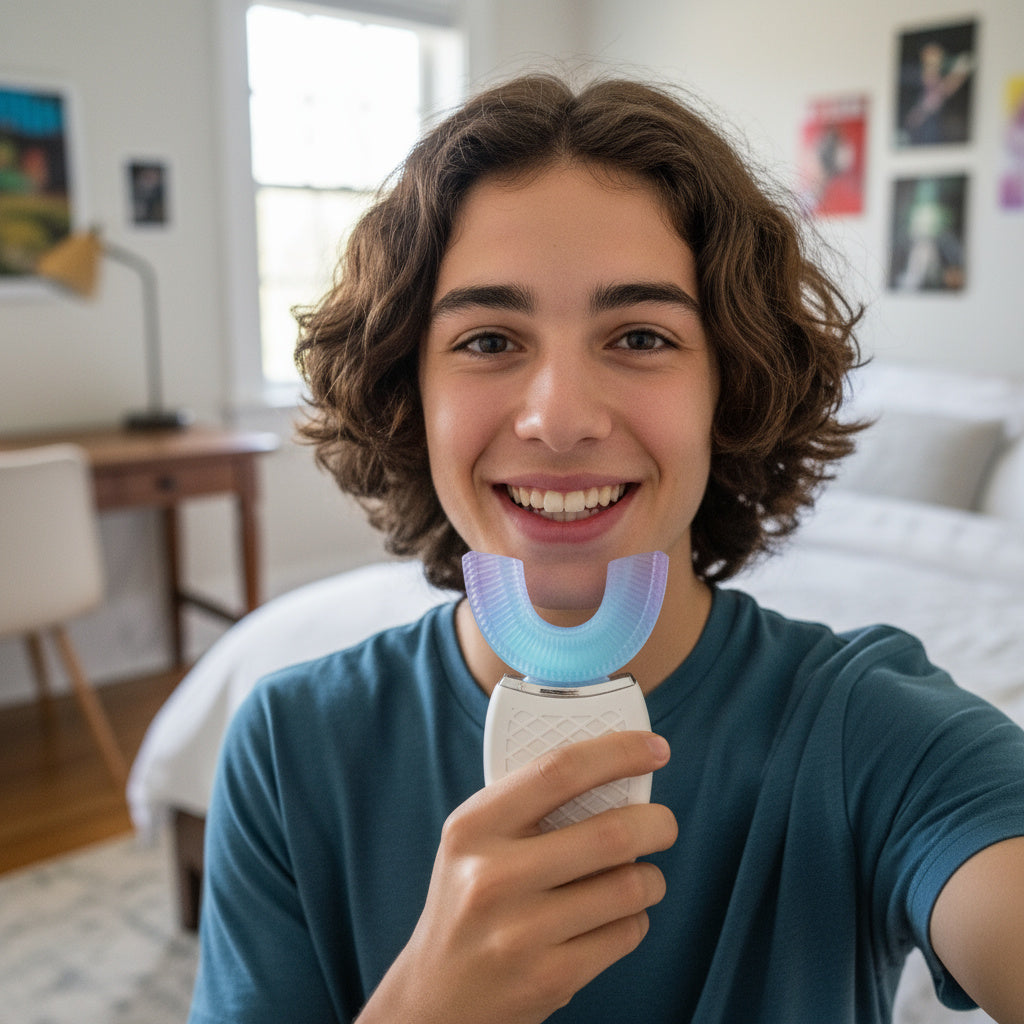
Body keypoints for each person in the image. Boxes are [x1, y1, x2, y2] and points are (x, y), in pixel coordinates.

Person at [188, 73, 1024, 1024]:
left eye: (639, 336)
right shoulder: (289, 744)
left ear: (730, 387)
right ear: (409, 393)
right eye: (488, 340)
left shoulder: (875, 736)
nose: (559, 419)